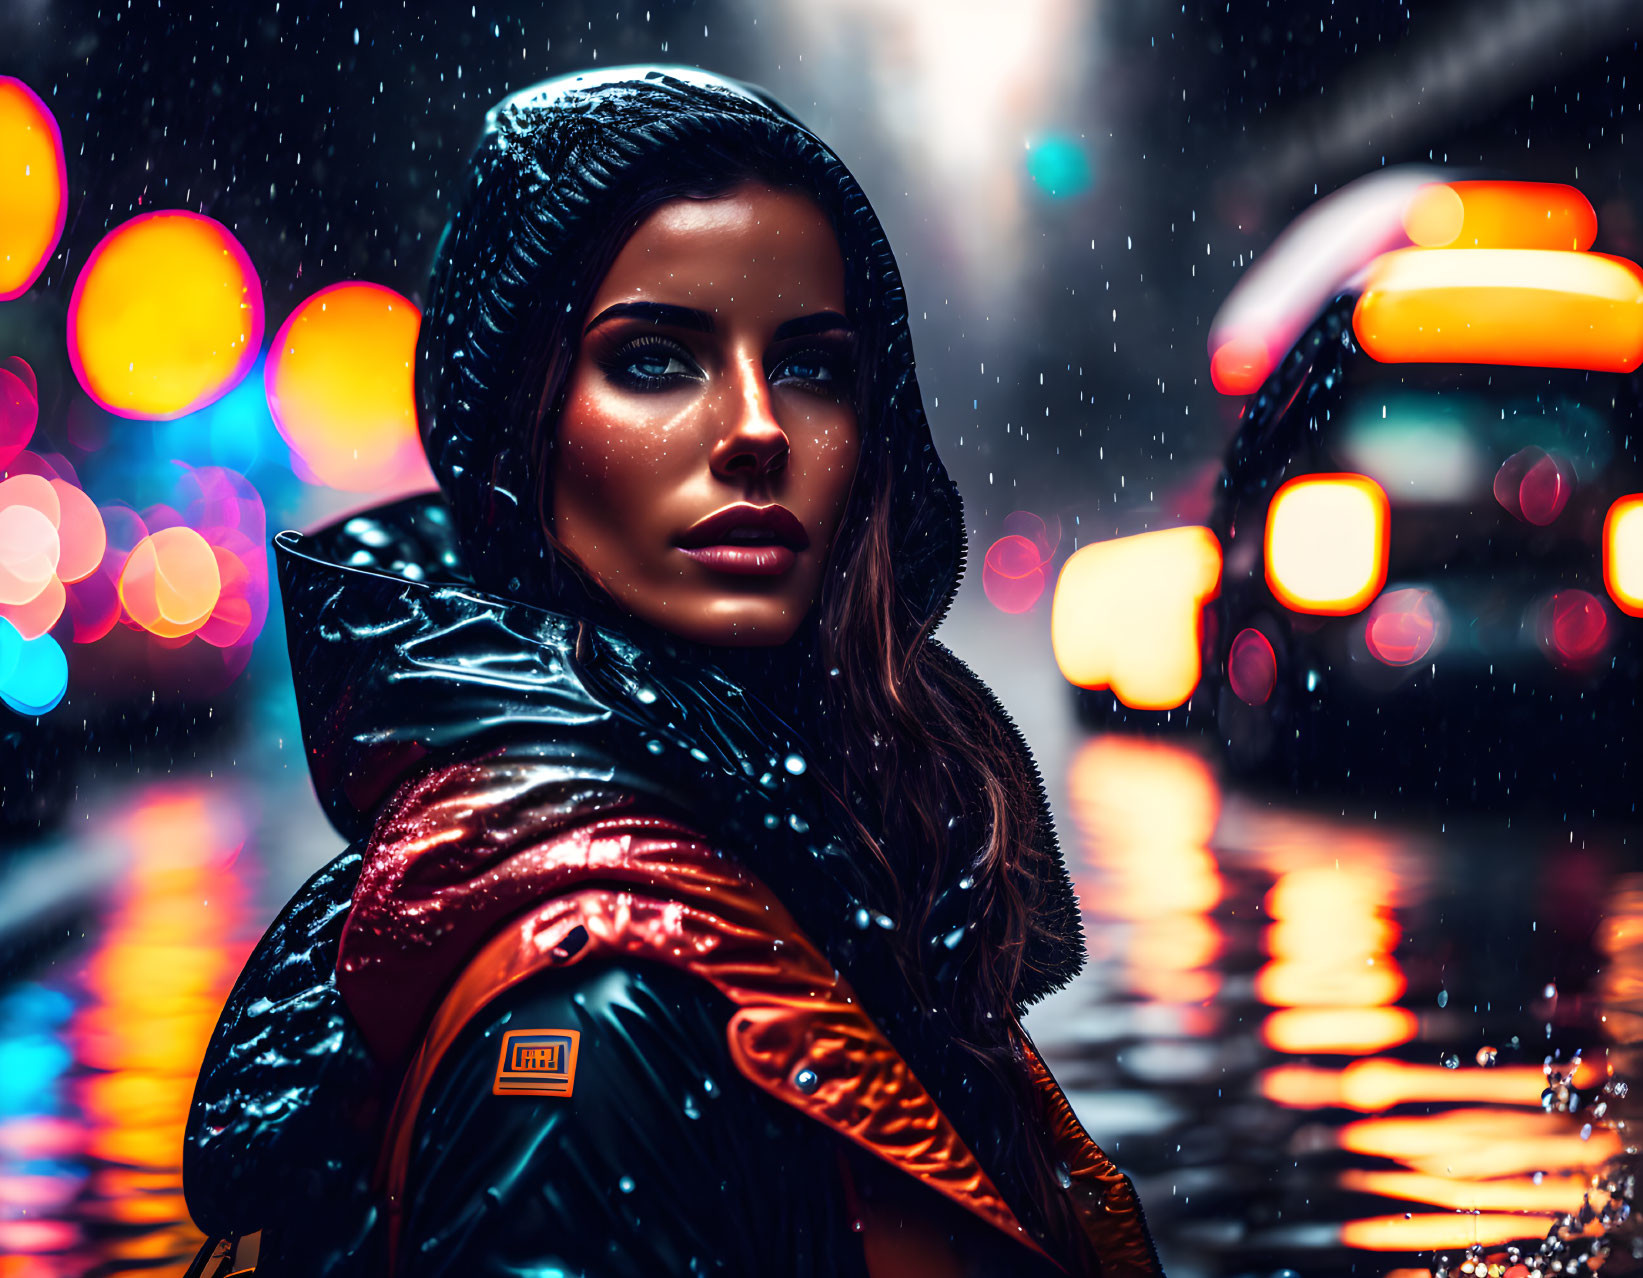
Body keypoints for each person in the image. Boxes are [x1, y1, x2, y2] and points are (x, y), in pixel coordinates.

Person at [182, 66, 1164, 1278]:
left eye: (810, 366)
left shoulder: (828, 843)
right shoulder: (590, 1021)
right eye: (654, 359)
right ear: (520, 431)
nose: (757, 426)